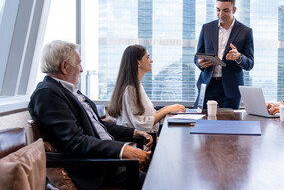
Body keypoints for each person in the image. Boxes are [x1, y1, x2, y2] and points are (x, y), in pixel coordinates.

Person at [28, 40, 153, 189]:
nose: (81, 70)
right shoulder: (47, 94)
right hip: (97, 168)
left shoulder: (69, 91)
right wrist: (123, 150)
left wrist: (134, 132)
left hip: (108, 159)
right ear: (65, 66)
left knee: (158, 168)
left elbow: (98, 125)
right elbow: (75, 141)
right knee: (157, 180)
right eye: (79, 63)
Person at [194, 0, 254, 109]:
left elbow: (250, 64)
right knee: (202, 123)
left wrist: (238, 57)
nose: (221, 14)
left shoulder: (245, 32)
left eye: (225, 10)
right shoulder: (206, 28)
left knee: (229, 126)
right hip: (208, 86)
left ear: (234, 9)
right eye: (218, 10)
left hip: (231, 89)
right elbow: (197, 56)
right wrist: (199, 62)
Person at [108, 45, 186, 133]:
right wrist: (166, 111)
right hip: (139, 143)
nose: (151, 61)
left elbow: (146, 117)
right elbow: (141, 124)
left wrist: (166, 109)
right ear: (138, 63)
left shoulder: (137, 86)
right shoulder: (130, 89)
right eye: (147, 57)